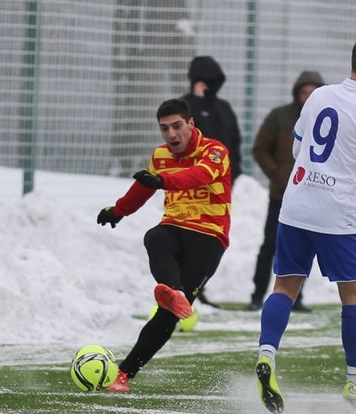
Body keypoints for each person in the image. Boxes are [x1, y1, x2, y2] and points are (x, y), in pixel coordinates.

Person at [254, 33, 356, 414]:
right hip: (337, 216)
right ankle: (354, 384)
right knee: (354, 297)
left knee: (284, 287)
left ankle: (267, 355)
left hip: (295, 207)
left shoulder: (319, 96)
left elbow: (297, 150)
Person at [97, 98, 231, 392]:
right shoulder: (160, 155)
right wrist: (117, 211)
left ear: (191, 124)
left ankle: (126, 371)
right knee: (154, 236)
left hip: (209, 236)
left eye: (177, 126)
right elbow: (145, 186)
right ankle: (175, 292)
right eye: (164, 128)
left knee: (166, 317)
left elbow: (198, 176)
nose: (171, 134)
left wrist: (161, 181)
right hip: (173, 227)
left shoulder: (215, 150)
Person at [247, 71, 325, 313]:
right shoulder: (279, 117)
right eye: (304, 91)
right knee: (270, 245)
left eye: (313, 92)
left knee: (302, 249)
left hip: (310, 196)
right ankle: (257, 295)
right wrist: (277, 173)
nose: (308, 96)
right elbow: (260, 148)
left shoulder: (326, 119)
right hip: (280, 196)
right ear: (297, 93)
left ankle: (296, 298)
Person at [181, 55, 242, 308]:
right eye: (205, 80)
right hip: (191, 187)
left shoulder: (224, 108)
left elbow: (234, 144)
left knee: (210, 239)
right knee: (187, 236)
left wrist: (233, 175)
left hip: (220, 189)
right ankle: (183, 291)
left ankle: (196, 288)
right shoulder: (184, 106)